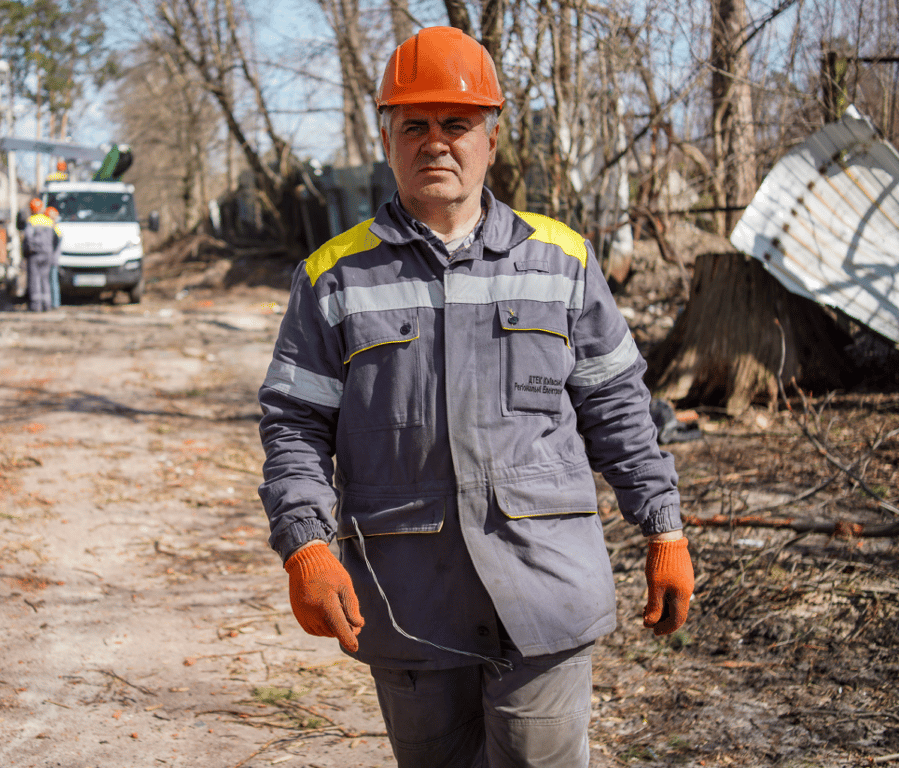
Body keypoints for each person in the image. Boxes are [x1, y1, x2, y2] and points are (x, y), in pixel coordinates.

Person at [256, 26, 694, 768]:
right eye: (415, 125)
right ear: (387, 137)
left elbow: (619, 409)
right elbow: (295, 425)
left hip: (544, 588)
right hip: (407, 600)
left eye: (456, 125)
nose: (436, 143)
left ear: (491, 137)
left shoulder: (562, 260)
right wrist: (305, 544)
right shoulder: (333, 277)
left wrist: (664, 528)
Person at [22, 197, 60, 312]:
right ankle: (47, 305)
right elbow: (56, 239)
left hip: (35, 254)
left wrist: (27, 251)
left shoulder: (31, 221)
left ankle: (36, 306)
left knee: (35, 279)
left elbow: (27, 237)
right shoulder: (49, 221)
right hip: (47, 253)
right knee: (45, 279)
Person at [45, 206, 63, 308]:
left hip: (51, 259)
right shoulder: (55, 227)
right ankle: (53, 303)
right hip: (52, 259)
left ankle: (54, 303)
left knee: (51, 281)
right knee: (52, 281)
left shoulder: (54, 229)